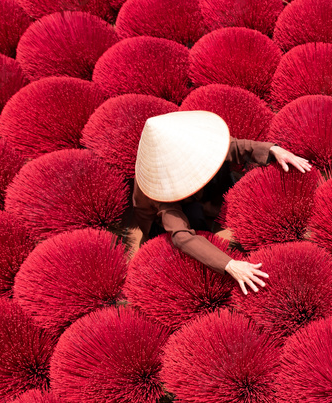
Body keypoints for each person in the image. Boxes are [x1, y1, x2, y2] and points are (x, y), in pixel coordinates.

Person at [127, 110, 312, 295]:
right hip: (161, 222)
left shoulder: (197, 143)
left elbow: (236, 147)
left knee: (223, 171)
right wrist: (229, 264)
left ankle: (217, 212)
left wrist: (274, 150)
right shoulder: (159, 190)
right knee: (195, 219)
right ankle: (209, 236)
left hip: (196, 197)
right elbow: (182, 236)